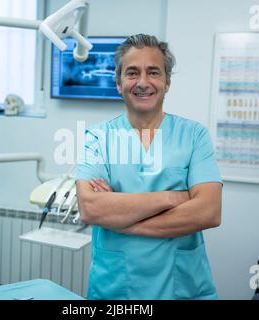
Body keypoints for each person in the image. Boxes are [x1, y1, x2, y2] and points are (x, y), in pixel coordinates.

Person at [75, 34, 222, 300]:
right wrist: (172, 197)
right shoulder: (97, 138)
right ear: (119, 83)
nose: (143, 82)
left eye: (153, 72)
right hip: (117, 290)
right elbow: (90, 208)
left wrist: (121, 218)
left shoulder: (194, 136)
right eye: (132, 73)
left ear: (167, 82)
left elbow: (209, 212)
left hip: (182, 289)